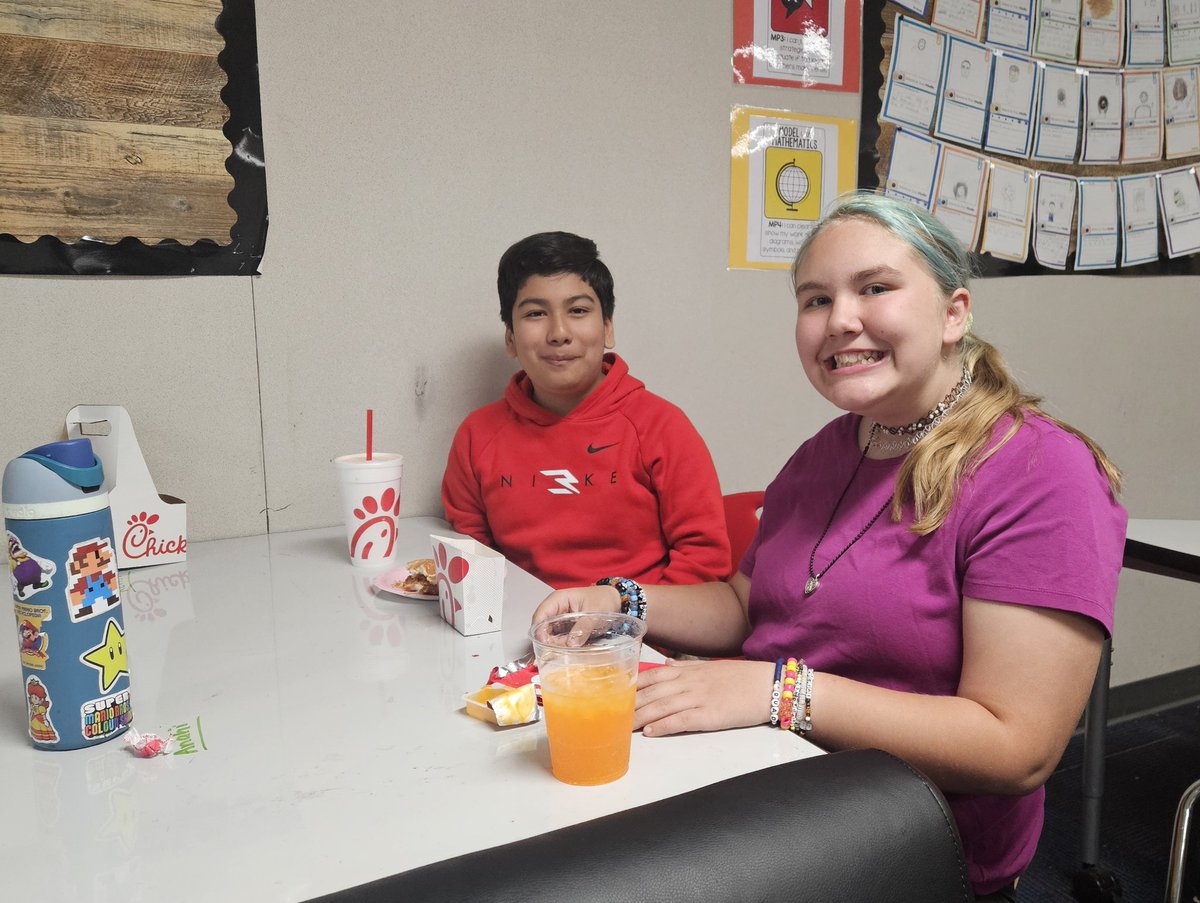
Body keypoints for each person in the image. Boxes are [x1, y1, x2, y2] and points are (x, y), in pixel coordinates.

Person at [532, 194, 1127, 900]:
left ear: (954, 313)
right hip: (773, 785)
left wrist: (779, 690)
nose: (841, 318)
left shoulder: (1039, 471)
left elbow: (1015, 747)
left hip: (906, 842)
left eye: (875, 287)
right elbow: (745, 605)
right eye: (816, 298)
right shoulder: (829, 450)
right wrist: (620, 597)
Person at [442, 231, 730, 590]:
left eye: (578, 311)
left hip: (640, 632)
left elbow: (703, 561)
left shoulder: (661, 427)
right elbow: (470, 557)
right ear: (511, 338)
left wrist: (630, 624)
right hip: (519, 631)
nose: (559, 333)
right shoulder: (477, 435)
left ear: (607, 327)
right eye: (535, 313)